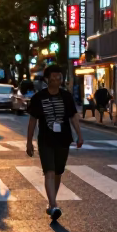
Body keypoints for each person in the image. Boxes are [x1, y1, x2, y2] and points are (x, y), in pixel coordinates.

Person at [26, 63, 83, 221]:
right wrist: (29, 142)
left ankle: (51, 205)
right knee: (49, 171)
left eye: (59, 78)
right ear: (46, 79)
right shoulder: (39, 98)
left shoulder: (66, 96)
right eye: (54, 78)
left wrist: (79, 135)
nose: (57, 81)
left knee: (58, 172)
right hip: (46, 139)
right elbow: (32, 120)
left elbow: (73, 116)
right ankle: (53, 203)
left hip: (63, 138)